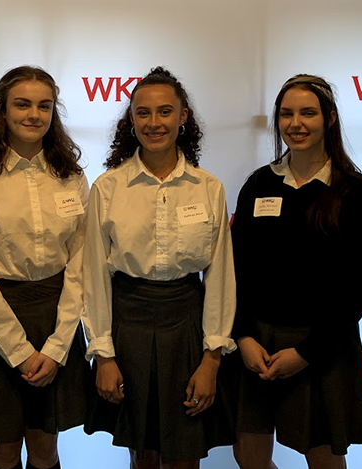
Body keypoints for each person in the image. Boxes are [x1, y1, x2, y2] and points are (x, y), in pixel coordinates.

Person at [82, 67, 236, 469]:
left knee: (184, 455)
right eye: (143, 113)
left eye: (165, 112)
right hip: (128, 324)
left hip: (187, 326)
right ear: (131, 120)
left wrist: (211, 359)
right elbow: (94, 277)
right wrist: (104, 356)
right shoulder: (107, 188)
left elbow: (220, 277)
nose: (154, 123)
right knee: (144, 456)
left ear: (183, 117)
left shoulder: (209, 187)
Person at [230, 74, 362, 469]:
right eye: (286, 114)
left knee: (324, 460)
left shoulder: (357, 193)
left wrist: (306, 352)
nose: (295, 123)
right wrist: (243, 335)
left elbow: (359, 288)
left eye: (308, 113)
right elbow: (236, 269)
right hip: (257, 344)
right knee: (249, 457)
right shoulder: (258, 185)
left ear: (329, 118)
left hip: (323, 346)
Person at [0, 66, 90, 469]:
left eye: (44, 106)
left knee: (45, 447)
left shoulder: (72, 176)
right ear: (3, 111)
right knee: (4, 449)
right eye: (22, 104)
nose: (33, 115)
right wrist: (20, 352)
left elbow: (81, 266)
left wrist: (57, 347)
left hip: (55, 318)